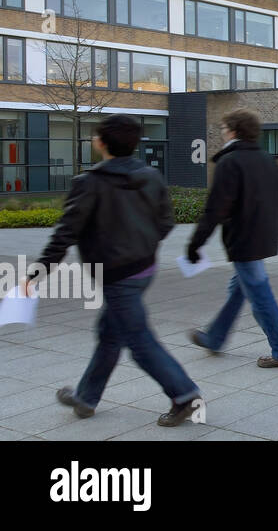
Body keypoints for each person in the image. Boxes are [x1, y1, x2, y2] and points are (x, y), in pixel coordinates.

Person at [26, 114, 203, 426]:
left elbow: (64, 234)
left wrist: (36, 276)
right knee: (110, 333)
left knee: (138, 341)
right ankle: (86, 397)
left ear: (100, 143)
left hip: (117, 276)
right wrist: (144, 247)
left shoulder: (90, 183)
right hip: (144, 270)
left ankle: (185, 395)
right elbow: (166, 222)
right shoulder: (150, 175)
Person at [188, 108, 278, 367]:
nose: (222, 133)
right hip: (263, 237)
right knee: (239, 289)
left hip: (244, 240)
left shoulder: (230, 162)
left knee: (260, 296)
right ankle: (215, 338)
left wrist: (195, 244)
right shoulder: (266, 158)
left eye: (224, 129)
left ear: (235, 131)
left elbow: (215, 209)